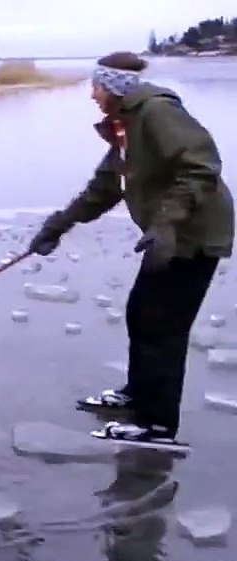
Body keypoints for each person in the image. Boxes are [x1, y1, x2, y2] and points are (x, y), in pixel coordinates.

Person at [26, 51, 234, 446]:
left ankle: (155, 425)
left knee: (161, 326)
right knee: (142, 315)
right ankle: (138, 395)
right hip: (168, 233)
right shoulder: (125, 127)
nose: (92, 95)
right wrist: (58, 226)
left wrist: (167, 223)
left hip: (194, 233)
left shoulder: (157, 113)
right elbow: (104, 188)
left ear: (115, 88)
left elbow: (201, 166)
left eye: (97, 87)